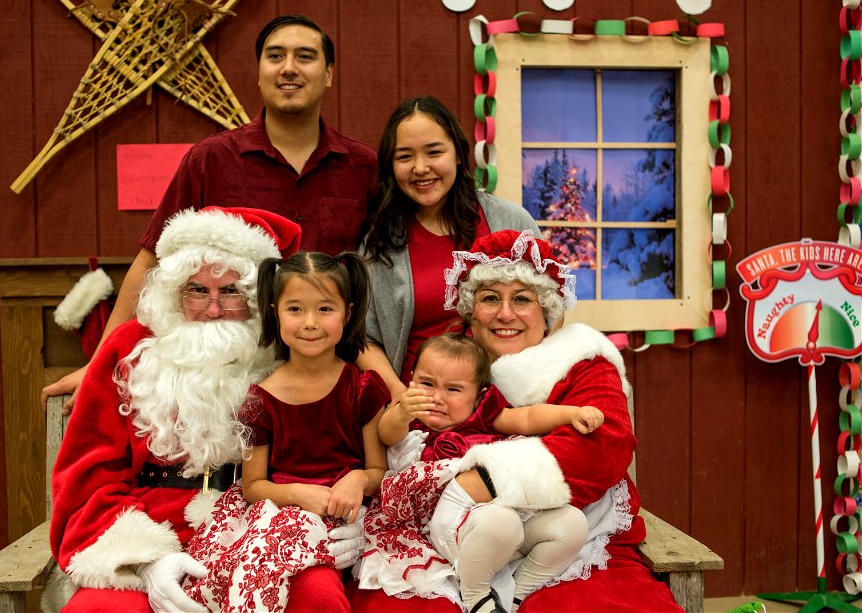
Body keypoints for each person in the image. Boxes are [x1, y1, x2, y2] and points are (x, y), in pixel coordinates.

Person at [43, 14, 377, 411]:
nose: (289, 67)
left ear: (328, 74)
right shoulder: (212, 159)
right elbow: (152, 258)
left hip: (333, 378)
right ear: (258, 73)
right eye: (275, 56)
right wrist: (99, 364)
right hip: (233, 378)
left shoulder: (363, 167)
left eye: (305, 56)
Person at [43, 207, 365, 613]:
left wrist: (352, 514)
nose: (213, 308)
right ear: (173, 291)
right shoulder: (129, 350)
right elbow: (86, 480)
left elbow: (339, 448)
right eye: (197, 290)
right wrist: (145, 563)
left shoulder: (292, 350)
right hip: (150, 526)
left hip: (267, 527)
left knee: (316, 596)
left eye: (230, 292)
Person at [350, 229, 682, 613]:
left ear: (548, 314)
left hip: (562, 539)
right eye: (490, 298)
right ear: (470, 314)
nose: (505, 314)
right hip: (439, 539)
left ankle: (517, 592)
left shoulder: (583, 363)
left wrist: (483, 482)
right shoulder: (447, 361)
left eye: (522, 299)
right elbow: (402, 432)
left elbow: (599, 449)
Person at [180, 251, 388, 613]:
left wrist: (358, 479)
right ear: (275, 313)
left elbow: (378, 472)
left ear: (349, 313)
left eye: (325, 309)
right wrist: (297, 494)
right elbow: (253, 486)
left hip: (347, 525)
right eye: (295, 309)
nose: (310, 323)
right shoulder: (258, 401)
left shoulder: (363, 388)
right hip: (281, 514)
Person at [365, 333, 603, 613]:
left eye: (453, 390)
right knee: (500, 520)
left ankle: (517, 593)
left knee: (571, 524)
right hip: (444, 531)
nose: (437, 398)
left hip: (504, 531)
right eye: (427, 384)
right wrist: (403, 412)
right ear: (412, 381)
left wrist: (570, 414)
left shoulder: (484, 416)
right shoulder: (411, 421)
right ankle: (475, 595)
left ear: (478, 396)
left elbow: (527, 417)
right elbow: (387, 434)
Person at [356, 95, 540, 399]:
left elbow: (553, 305)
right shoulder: (380, 245)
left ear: (457, 152)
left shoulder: (509, 221)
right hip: (426, 411)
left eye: (434, 152)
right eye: (404, 157)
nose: (420, 168)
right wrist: (401, 398)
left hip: (512, 401)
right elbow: (365, 338)